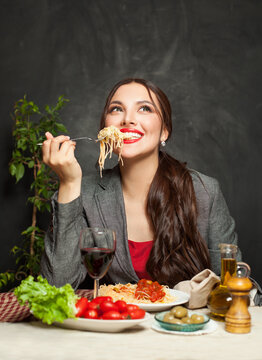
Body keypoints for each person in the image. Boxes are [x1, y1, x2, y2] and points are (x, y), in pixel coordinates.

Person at [40, 78, 241, 290]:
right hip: (117, 320)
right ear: (105, 128)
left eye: (145, 109)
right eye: (116, 109)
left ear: (164, 131)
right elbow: (56, 286)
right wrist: (69, 183)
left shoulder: (204, 191)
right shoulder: (85, 194)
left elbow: (233, 285)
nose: (128, 119)